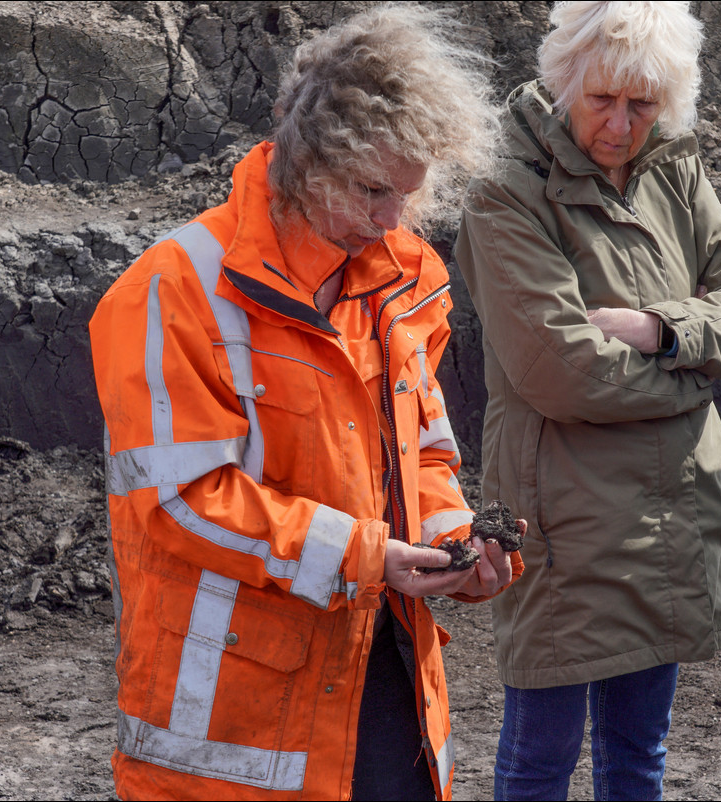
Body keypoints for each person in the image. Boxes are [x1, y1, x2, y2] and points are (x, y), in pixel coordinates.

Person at [88, 6, 525, 800]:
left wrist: (453, 544)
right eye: (372, 192)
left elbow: (421, 447)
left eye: (409, 193)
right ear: (308, 162)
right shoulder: (171, 290)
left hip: (386, 684)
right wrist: (366, 557)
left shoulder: (408, 276)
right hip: (229, 730)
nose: (394, 219)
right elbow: (182, 500)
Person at [453, 2, 721, 799]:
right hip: (563, 522)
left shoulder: (675, 166)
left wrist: (656, 328)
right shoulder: (506, 194)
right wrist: (698, 373)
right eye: (603, 100)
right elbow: (560, 370)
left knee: (642, 753)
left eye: (643, 105)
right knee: (541, 758)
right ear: (563, 81)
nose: (621, 124)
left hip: (670, 516)